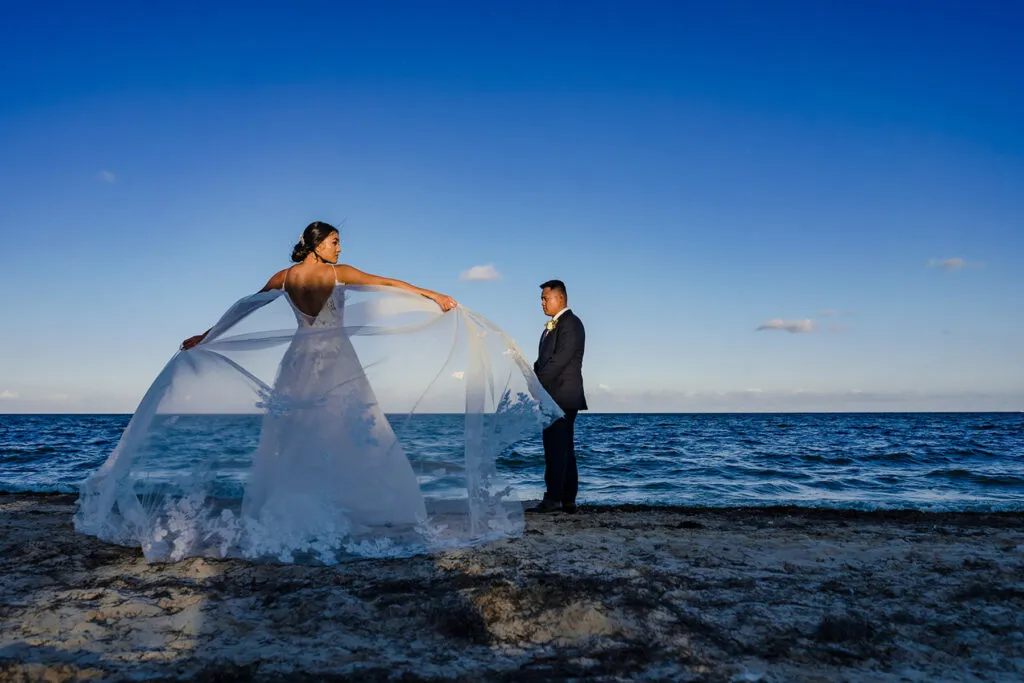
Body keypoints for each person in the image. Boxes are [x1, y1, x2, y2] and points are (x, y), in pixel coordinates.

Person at [74, 221, 561, 564]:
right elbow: (385, 283)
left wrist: (206, 336)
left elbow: (241, 309)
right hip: (337, 361)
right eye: (334, 241)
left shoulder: (284, 279)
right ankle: (356, 508)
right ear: (317, 244)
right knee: (354, 432)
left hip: (298, 363)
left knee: (297, 436)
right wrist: (430, 295)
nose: (340, 248)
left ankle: (298, 506)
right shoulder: (332, 275)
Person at [528, 279, 587, 514]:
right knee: (563, 448)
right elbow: (543, 362)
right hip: (554, 395)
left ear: (560, 298)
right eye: (541, 299)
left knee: (556, 449)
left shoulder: (571, 324)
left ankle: (554, 499)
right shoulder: (551, 326)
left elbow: (559, 361)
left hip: (561, 396)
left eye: (546, 298)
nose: (542, 303)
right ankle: (567, 500)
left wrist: (536, 384)